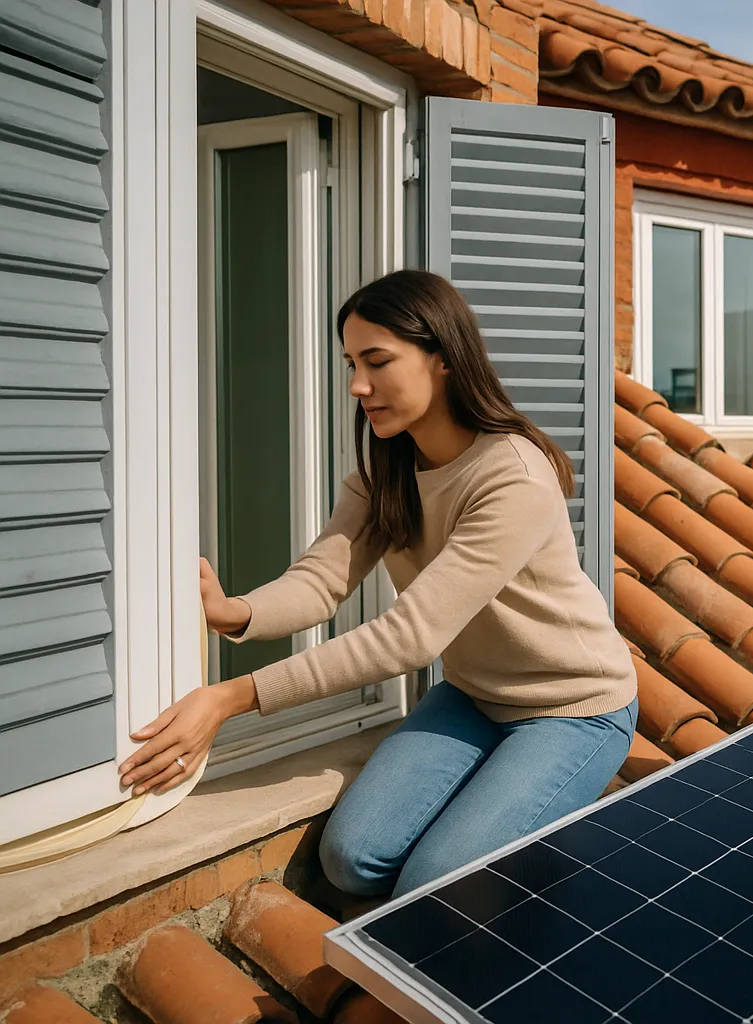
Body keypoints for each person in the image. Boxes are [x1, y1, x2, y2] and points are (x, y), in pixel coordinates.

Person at [119, 270, 638, 896]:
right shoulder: (386, 471)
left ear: (443, 357)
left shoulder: (513, 476)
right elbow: (321, 580)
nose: (357, 386)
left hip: (574, 707)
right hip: (474, 696)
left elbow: (410, 637)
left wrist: (231, 698)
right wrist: (234, 613)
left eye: (377, 361)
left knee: (436, 886)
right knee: (351, 859)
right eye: (351, 364)